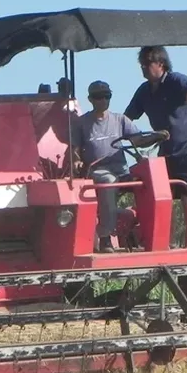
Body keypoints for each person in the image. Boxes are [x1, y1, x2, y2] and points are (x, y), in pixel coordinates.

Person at [123, 45, 187, 250]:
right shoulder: (144, 91)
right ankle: (163, 244)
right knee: (161, 197)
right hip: (168, 148)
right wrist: (131, 135)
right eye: (141, 65)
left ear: (160, 64)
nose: (143, 69)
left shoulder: (177, 80)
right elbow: (127, 118)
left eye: (147, 64)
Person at [71, 80, 142, 252]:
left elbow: (139, 139)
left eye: (106, 96)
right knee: (109, 181)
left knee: (151, 179)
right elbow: (75, 151)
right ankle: (105, 238)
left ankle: (146, 233)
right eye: (98, 97)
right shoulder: (82, 123)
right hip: (97, 170)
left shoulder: (120, 120)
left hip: (121, 169)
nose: (103, 100)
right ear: (90, 99)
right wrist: (77, 161)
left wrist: (156, 136)